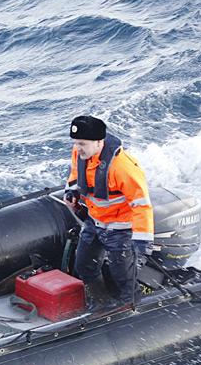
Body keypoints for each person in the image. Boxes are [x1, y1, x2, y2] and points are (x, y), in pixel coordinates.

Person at [63, 115, 154, 309]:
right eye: (76, 143)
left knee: (122, 275)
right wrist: (71, 191)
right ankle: (100, 303)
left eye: (83, 144)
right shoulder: (80, 153)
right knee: (84, 266)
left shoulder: (123, 168)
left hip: (120, 228)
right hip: (94, 221)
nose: (78, 148)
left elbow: (141, 206)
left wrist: (142, 241)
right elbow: (74, 174)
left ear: (99, 142)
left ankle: (131, 307)